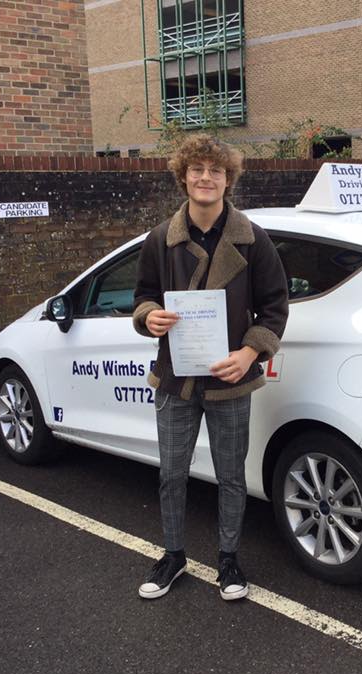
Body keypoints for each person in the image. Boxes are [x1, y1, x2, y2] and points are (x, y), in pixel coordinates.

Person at [132, 134, 289, 601]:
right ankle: (174, 556)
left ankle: (228, 560)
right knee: (171, 474)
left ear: (227, 179)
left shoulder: (253, 238)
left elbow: (276, 306)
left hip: (230, 380)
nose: (205, 178)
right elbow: (142, 296)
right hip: (176, 379)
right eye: (197, 170)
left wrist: (249, 353)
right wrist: (149, 317)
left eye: (215, 171)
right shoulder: (160, 238)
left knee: (232, 475)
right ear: (184, 177)